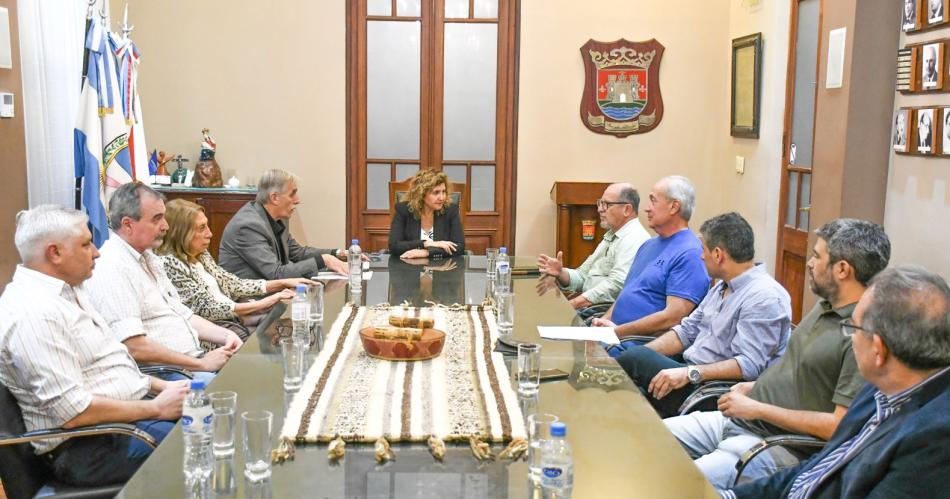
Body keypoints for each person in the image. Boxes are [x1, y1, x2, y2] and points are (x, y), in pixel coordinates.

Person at [663, 218, 890, 490]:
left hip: (773, 444)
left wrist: (758, 408)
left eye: (817, 256)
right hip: (742, 418)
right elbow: (800, 373)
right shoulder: (825, 307)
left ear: (842, 269)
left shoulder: (860, 335)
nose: (809, 263)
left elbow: (838, 427)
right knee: (646, 437)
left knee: (671, 485)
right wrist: (754, 388)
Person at [0, 205, 188, 486]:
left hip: (122, 422)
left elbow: (108, 369)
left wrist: (163, 388)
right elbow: (74, 412)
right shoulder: (33, 312)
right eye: (86, 244)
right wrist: (158, 409)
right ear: (55, 253)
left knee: (216, 422)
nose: (97, 252)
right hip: (88, 446)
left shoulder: (69, 290)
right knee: (203, 451)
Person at [725, 265, 950, 498]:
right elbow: (818, 468)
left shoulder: (935, 438)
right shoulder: (879, 388)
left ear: (878, 349)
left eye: (853, 328)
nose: (850, 339)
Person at [616, 212, 791, 417]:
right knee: (629, 389)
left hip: (713, 392)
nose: (701, 256)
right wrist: (648, 355)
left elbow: (749, 365)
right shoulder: (721, 287)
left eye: (703, 250)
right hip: (688, 371)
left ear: (718, 254)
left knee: (634, 360)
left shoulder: (764, 297)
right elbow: (686, 332)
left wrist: (688, 373)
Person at [85, 182, 243, 382]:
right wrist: (201, 364)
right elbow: (133, 346)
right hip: (164, 375)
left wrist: (226, 336)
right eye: (157, 219)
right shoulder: (113, 267)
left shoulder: (149, 258)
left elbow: (183, 314)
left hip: (190, 364)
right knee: (238, 389)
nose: (165, 226)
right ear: (128, 224)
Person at [592, 176, 710, 357]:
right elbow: (628, 293)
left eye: (653, 201)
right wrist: (605, 320)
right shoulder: (648, 245)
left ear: (674, 206)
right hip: (611, 337)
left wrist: (617, 332)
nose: (646, 208)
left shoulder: (690, 253)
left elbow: (673, 317)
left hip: (635, 349)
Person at [157, 198, 314, 324]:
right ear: (181, 233)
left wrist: (284, 283)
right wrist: (267, 301)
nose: (210, 233)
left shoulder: (201, 254)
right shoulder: (169, 263)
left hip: (234, 321)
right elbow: (208, 309)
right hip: (214, 335)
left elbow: (234, 284)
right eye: (201, 228)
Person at [536, 183, 650, 323]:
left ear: (627, 209)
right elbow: (583, 275)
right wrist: (561, 272)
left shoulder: (634, 238)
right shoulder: (611, 236)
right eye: (600, 203)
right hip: (590, 309)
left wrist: (574, 303)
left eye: (606, 204)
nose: (600, 209)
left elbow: (616, 286)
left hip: (605, 315)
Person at [219, 169, 349, 279]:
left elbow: (298, 253)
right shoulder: (248, 226)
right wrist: (323, 260)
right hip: (250, 303)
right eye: (292, 194)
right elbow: (275, 273)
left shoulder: (280, 218)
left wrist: (337, 253)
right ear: (274, 198)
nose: (297, 200)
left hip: (274, 297)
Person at [389, 169, 465, 259]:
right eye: (436, 192)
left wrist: (427, 252)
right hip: (409, 269)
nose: (442, 197)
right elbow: (394, 246)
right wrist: (426, 243)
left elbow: (459, 247)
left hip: (441, 269)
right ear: (421, 194)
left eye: (443, 192)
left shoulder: (450, 210)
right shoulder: (403, 210)